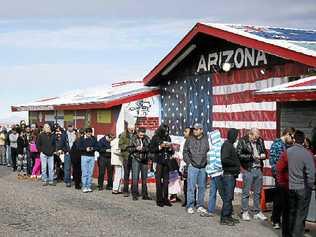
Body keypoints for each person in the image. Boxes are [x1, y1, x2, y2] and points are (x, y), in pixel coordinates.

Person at [287, 130, 315, 237]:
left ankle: (290, 232)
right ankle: (297, 234)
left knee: (292, 211)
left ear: (294, 139)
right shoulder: (307, 154)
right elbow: (311, 173)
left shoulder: (288, 151)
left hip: (291, 186)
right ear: (303, 140)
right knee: (300, 212)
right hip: (302, 187)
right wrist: (310, 185)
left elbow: (282, 167)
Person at [237, 128, 267, 221]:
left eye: (257, 138)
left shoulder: (260, 140)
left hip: (258, 168)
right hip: (248, 169)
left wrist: (263, 155)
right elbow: (239, 155)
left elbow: (264, 151)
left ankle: (257, 212)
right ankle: (244, 211)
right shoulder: (242, 141)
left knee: (257, 192)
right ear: (250, 134)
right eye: (254, 138)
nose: (256, 140)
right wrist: (251, 157)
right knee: (246, 192)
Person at [269, 127, 294, 229]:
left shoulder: (287, 145)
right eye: (291, 136)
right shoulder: (277, 144)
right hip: (279, 175)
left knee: (283, 198)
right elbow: (273, 160)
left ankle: (279, 219)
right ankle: (275, 220)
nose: (292, 139)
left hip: (286, 176)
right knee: (279, 198)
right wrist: (278, 173)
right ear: (287, 134)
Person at [183, 123, 209, 214]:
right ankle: (190, 205)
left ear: (201, 130)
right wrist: (188, 163)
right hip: (192, 166)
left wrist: (207, 163)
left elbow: (209, 151)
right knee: (191, 187)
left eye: (197, 129)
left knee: (202, 187)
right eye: (194, 129)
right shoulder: (189, 139)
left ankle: (200, 205)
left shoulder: (206, 139)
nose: (194, 131)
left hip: (203, 167)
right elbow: (185, 152)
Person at [150, 124, 174, 207]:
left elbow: (172, 151)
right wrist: (160, 147)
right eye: (165, 131)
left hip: (166, 161)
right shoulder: (155, 137)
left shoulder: (168, 138)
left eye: (167, 131)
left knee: (166, 182)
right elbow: (151, 149)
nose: (166, 133)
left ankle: (165, 199)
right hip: (158, 161)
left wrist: (170, 148)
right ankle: (159, 199)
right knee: (158, 181)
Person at [220, 128, 240, 226]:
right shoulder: (227, 145)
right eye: (236, 135)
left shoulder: (230, 145)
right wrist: (235, 163)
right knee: (228, 197)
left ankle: (228, 215)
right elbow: (224, 159)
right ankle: (224, 217)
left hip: (232, 175)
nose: (237, 138)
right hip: (228, 175)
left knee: (230, 197)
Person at [202, 129, 223, 218]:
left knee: (222, 194)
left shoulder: (218, 147)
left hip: (218, 174)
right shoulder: (215, 147)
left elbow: (219, 163)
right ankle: (210, 210)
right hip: (214, 174)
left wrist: (210, 169)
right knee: (212, 193)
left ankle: (228, 210)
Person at [128, 127, 151, 201]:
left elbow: (150, 148)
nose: (142, 136)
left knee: (144, 179)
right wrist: (135, 149)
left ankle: (145, 194)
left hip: (144, 160)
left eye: (143, 135)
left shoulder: (147, 138)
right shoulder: (133, 138)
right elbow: (129, 148)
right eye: (140, 135)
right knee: (135, 177)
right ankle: (135, 194)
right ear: (138, 133)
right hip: (136, 159)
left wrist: (143, 149)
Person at [79, 127, 98, 193]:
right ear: (85, 133)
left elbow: (97, 146)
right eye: (88, 132)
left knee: (90, 172)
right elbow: (79, 147)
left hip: (92, 156)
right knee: (85, 172)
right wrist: (85, 149)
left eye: (90, 132)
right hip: (84, 156)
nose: (89, 134)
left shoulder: (94, 138)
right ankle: (84, 186)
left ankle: (89, 186)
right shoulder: (81, 139)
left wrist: (92, 148)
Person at [118, 124, 135, 197]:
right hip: (126, 157)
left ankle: (133, 190)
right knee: (126, 174)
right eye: (131, 130)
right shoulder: (123, 134)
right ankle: (125, 190)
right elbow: (120, 145)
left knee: (134, 174)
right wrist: (127, 146)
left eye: (133, 129)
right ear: (128, 129)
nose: (132, 131)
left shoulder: (135, 134)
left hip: (134, 156)